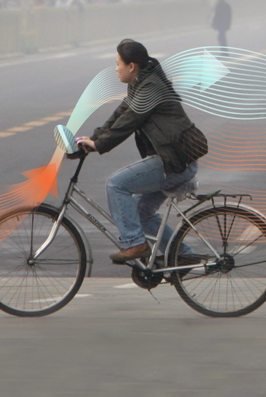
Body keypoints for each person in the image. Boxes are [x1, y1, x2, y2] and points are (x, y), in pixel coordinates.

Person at [75, 39, 209, 264]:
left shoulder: (150, 87)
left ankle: (135, 244)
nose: (115, 68)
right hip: (172, 161)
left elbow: (129, 120)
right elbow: (120, 114)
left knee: (116, 184)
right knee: (139, 212)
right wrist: (95, 138)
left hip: (173, 163)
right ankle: (183, 256)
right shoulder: (141, 83)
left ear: (131, 66)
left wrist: (100, 145)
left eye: (118, 63)